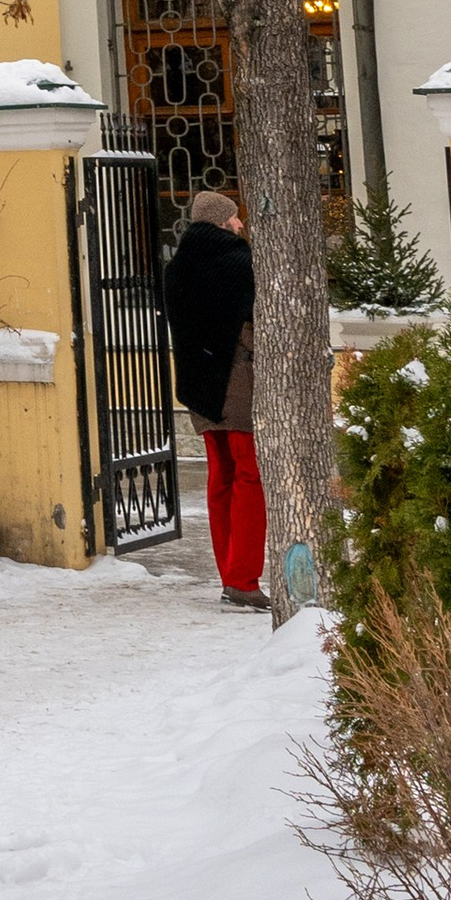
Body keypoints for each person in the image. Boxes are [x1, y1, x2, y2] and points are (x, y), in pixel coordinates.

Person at [163, 188, 267, 610]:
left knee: (220, 476)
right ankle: (244, 578)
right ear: (223, 221)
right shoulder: (240, 261)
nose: (241, 223)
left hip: (198, 384)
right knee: (249, 475)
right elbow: (254, 318)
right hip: (236, 377)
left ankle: (230, 575)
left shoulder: (177, 268)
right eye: (235, 217)